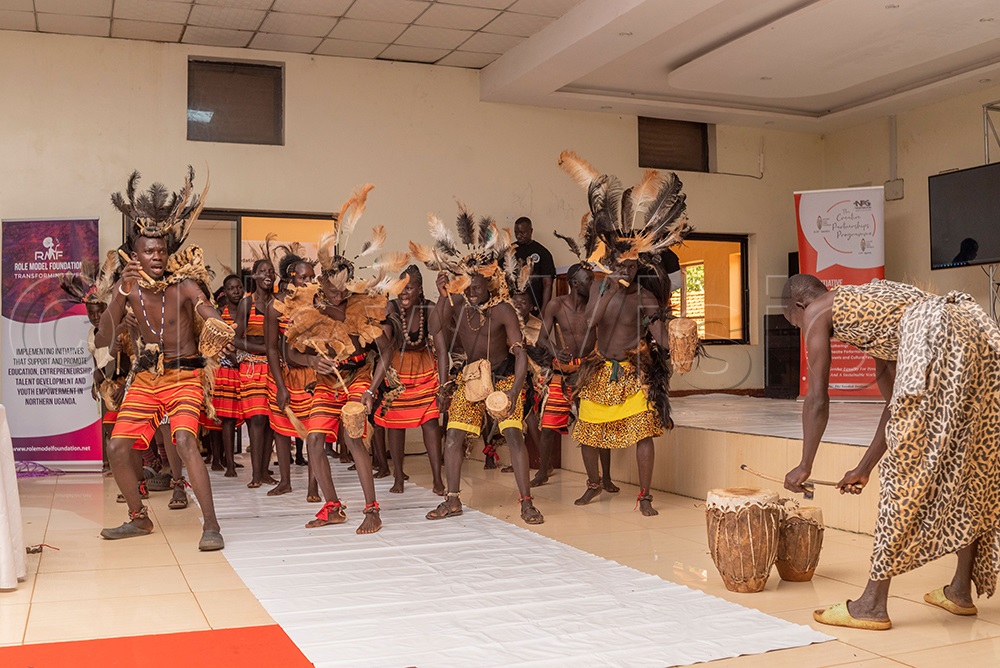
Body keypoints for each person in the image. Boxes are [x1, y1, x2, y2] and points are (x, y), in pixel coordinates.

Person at [782, 274, 1000, 630]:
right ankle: (960, 591)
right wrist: (863, 468)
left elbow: (817, 398)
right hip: (976, 334)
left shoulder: (818, 311)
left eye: (796, 323)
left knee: (903, 473)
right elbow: (895, 406)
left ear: (800, 306)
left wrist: (805, 464)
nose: (803, 329)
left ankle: (871, 605)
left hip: (940, 334)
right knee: (966, 464)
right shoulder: (878, 317)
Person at [96, 168, 232, 551]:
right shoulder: (128, 288)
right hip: (147, 377)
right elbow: (104, 336)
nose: (156, 256)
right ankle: (138, 517)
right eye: (148, 251)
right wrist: (120, 292)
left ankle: (211, 525)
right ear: (135, 255)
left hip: (185, 375)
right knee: (117, 448)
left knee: (185, 440)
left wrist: (217, 323)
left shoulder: (183, 284)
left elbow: (205, 308)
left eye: (161, 251)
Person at [557, 150, 690, 516]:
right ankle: (593, 484)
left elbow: (660, 335)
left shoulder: (645, 297)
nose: (628, 270)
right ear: (613, 262)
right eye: (623, 264)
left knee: (644, 431)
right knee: (587, 430)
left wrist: (680, 344)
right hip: (600, 369)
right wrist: (610, 289)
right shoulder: (600, 289)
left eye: (633, 265)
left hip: (633, 372)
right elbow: (590, 322)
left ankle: (644, 496)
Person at [279, 185, 405, 534]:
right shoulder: (308, 305)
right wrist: (310, 363)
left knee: (352, 437)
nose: (335, 293)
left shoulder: (363, 307)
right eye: (329, 287)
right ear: (321, 281)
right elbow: (289, 350)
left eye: (341, 288)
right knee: (314, 440)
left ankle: (372, 509)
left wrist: (371, 391)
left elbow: (386, 350)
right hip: (325, 380)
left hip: (359, 376)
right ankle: (332, 507)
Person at [418, 212, 543, 525]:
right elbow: (434, 327)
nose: (472, 291)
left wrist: (513, 392)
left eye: (477, 286)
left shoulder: (503, 311)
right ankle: (452, 500)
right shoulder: (458, 305)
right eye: (468, 287)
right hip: (472, 378)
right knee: (453, 436)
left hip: (504, 377)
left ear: (489, 283)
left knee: (513, 435)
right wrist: (443, 295)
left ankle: (527, 503)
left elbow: (520, 354)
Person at [372, 266, 446, 495]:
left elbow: (442, 350)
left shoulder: (429, 309)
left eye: (409, 288)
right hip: (397, 370)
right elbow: (384, 346)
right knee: (396, 423)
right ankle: (398, 477)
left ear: (420, 289)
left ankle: (437, 479)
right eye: (401, 287)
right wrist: (374, 320)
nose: (404, 292)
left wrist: (443, 387)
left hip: (425, 369)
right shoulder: (391, 307)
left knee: (430, 422)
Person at [265, 254, 317, 497]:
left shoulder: (319, 304)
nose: (309, 282)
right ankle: (285, 481)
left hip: (312, 375)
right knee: (281, 427)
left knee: (314, 430)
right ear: (291, 277)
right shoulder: (276, 307)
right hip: (284, 374)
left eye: (312, 277)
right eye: (304, 277)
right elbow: (271, 348)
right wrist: (280, 385)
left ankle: (313, 486)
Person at [233, 258, 276, 488]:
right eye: (262, 271)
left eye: (271, 271)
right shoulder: (246, 304)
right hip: (252, 367)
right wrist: (265, 350)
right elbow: (235, 339)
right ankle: (256, 474)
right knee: (257, 418)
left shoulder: (280, 303)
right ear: (255, 275)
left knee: (271, 420)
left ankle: (265, 472)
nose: (268, 274)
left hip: (275, 367)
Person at [204, 273, 243, 476]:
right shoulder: (219, 314)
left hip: (240, 370)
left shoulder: (246, 311)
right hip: (220, 370)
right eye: (231, 288)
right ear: (225, 292)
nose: (236, 291)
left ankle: (228, 459)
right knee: (219, 418)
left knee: (231, 419)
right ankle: (221, 460)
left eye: (239, 287)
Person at [513, 216, 556, 315]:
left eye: (522, 232)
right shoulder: (510, 251)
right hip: (513, 308)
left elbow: (547, 284)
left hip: (535, 307)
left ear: (531, 231)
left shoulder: (542, 252)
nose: (519, 236)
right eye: (516, 232)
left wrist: (543, 311)